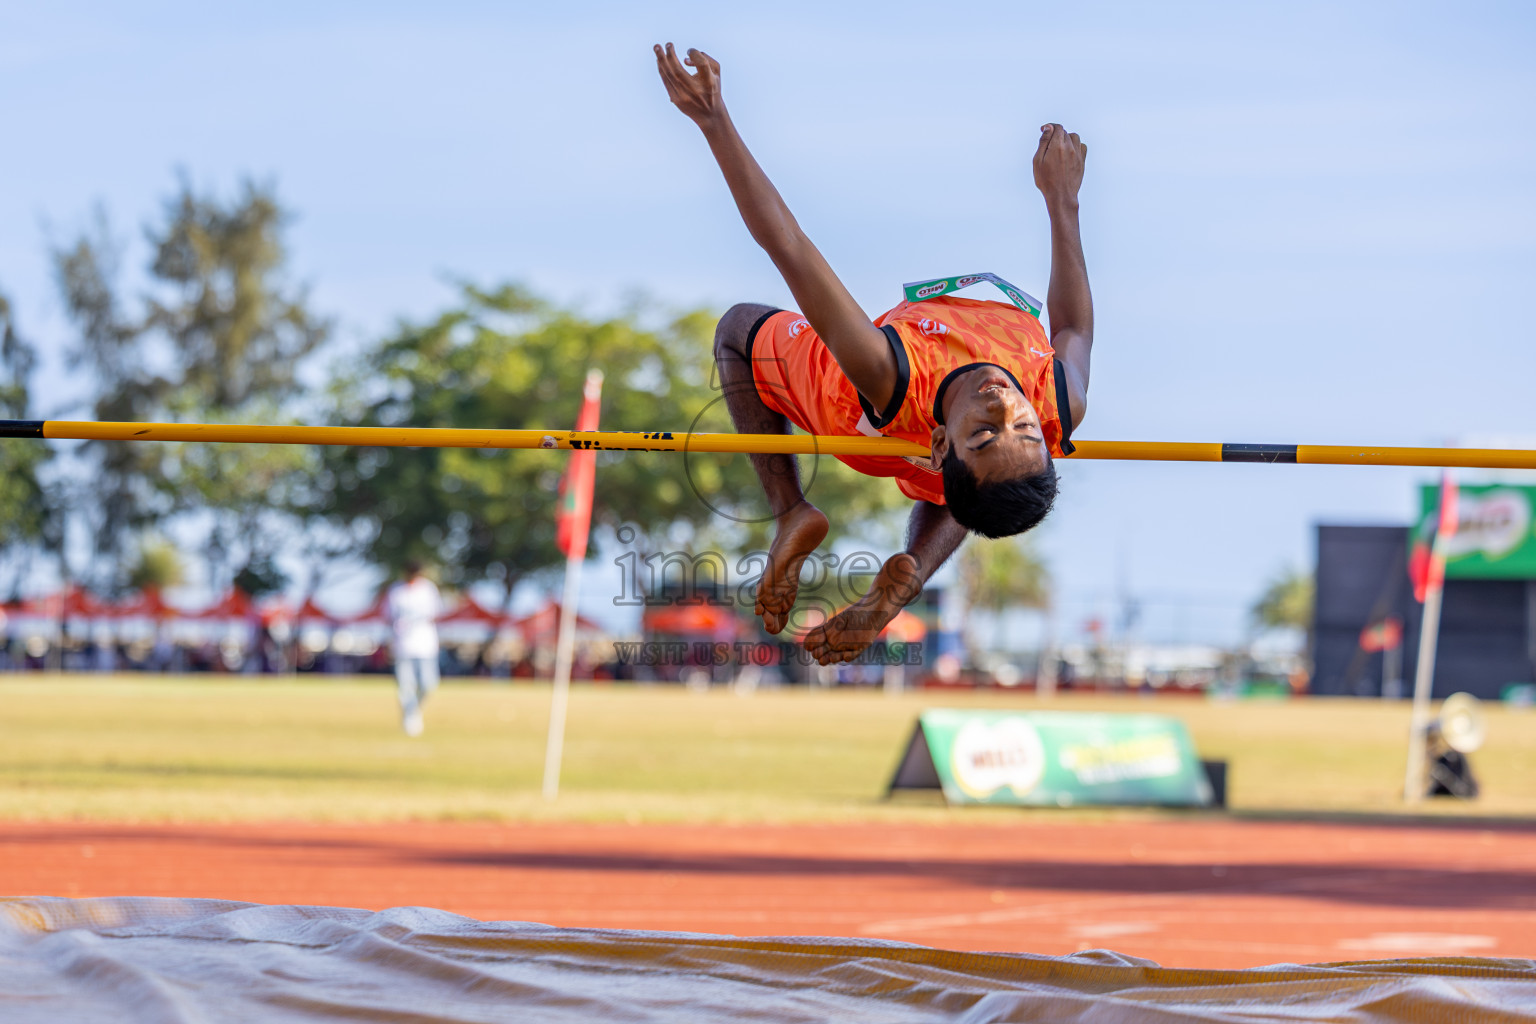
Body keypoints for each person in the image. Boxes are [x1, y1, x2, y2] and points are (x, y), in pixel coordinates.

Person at [655, 43, 1094, 665]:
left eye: (984, 433)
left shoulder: (885, 370)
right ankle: (909, 576)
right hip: (941, 475)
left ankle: (790, 510)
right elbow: (1074, 325)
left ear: (943, 443)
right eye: (1022, 426)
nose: (1005, 406)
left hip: (851, 411)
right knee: (975, 490)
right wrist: (1062, 200)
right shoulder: (1058, 399)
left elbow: (790, 248)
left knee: (736, 329)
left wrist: (714, 121)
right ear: (1044, 430)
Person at [385, 559, 443, 736]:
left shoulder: (428, 589)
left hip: (425, 645)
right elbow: (387, 616)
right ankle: (410, 719)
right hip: (403, 646)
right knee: (405, 686)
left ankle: (413, 711)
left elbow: (436, 614)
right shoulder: (396, 591)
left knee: (428, 684)